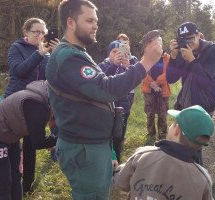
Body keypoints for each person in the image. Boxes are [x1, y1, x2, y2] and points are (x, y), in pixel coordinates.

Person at [45, 0, 162, 199]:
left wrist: (108, 151)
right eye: (89, 20)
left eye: (96, 21)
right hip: (84, 149)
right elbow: (106, 89)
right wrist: (146, 62)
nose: (96, 25)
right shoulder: (68, 57)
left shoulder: (78, 53)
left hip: (92, 145)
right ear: (71, 22)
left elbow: (99, 88)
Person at [0, 81, 57, 200]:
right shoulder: (36, 104)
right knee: (3, 186)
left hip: (10, 138)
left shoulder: (46, 98)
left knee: (16, 178)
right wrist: (64, 138)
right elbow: (39, 142)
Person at [113, 105, 214, 200]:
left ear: (176, 130)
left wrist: (118, 168)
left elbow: (121, 183)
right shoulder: (203, 178)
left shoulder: (143, 155)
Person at [5, 17, 59, 193]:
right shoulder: (17, 48)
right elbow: (18, 71)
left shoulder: (48, 53)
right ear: (26, 32)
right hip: (16, 102)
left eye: (43, 32)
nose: (40, 35)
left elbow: (53, 77)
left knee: (31, 144)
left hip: (36, 105)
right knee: (12, 144)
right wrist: (39, 54)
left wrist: (58, 55)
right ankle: (9, 182)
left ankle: (27, 185)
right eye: (36, 31)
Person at [167, 22, 215, 116]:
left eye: (190, 38)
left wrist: (191, 60)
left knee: (200, 131)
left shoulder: (212, 50)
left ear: (198, 35)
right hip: (186, 102)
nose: (187, 42)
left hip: (205, 104)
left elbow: (206, 81)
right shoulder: (183, 51)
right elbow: (171, 79)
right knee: (183, 130)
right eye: (183, 40)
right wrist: (173, 57)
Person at [98, 40, 132, 162]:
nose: (117, 54)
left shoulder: (125, 67)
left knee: (118, 138)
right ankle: (104, 163)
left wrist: (129, 68)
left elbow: (130, 86)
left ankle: (116, 167)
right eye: (114, 51)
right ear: (109, 53)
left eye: (120, 52)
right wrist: (114, 66)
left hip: (121, 109)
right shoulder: (101, 66)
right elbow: (101, 82)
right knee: (106, 139)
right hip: (105, 110)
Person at [140, 30, 171, 139]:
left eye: (160, 42)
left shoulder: (167, 58)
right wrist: (152, 84)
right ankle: (151, 134)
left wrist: (157, 83)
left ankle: (162, 135)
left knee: (163, 114)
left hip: (163, 91)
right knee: (150, 114)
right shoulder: (146, 56)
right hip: (149, 91)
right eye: (156, 42)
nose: (158, 45)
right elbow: (142, 72)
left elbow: (169, 74)